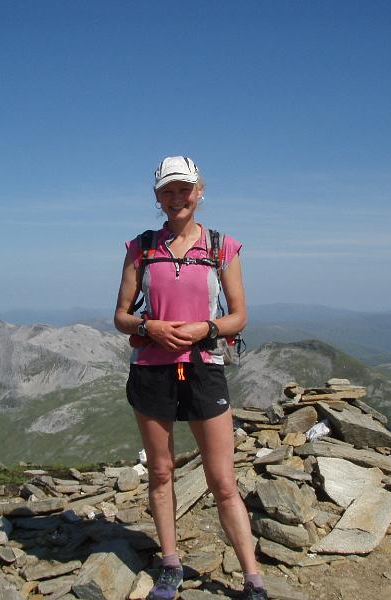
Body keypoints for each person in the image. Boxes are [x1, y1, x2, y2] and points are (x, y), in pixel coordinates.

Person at [114, 156, 268, 600]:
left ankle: (253, 578)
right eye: (168, 191)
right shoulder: (140, 248)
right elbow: (121, 316)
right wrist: (150, 328)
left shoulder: (223, 247)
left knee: (222, 480)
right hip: (151, 371)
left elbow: (239, 316)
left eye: (184, 189)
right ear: (157, 198)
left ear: (199, 192)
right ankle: (170, 564)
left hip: (203, 367)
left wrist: (207, 328)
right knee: (161, 472)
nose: (176, 198)